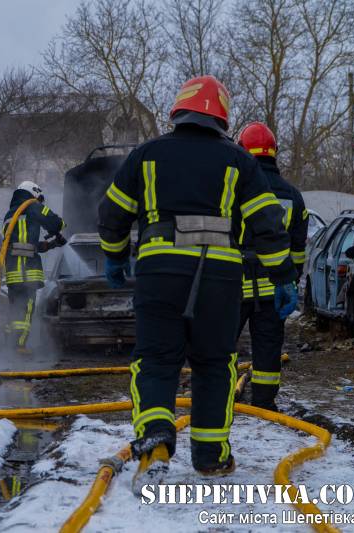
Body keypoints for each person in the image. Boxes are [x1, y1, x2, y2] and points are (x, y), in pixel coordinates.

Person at [98, 75, 296, 490]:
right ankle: (210, 456)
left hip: (159, 273)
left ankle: (154, 440)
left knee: (155, 358)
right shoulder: (239, 161)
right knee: (214, 362)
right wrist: (282, 277)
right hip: (220, 279)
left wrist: (114, 257)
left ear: (179, 109)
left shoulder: (146, 155)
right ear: (222, 117)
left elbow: (112, 214)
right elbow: (267, 225)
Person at [235, 122, 308, 411]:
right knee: (268, 346)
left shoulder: (234, 187)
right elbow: (298, 248)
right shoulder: (293, 195)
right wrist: (291, 280)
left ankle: (221, 395)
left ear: (242, 151)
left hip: (234, 283)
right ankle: (265, 402)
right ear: (274, 153)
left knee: (222, 343)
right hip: (275, 284)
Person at [2, 181, 65, 353]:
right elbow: (56, 223)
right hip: (26, 271)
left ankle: (8, 345)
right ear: (33, 193)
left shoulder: (11, 213)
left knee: (15, 308)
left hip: (14, 271)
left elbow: (26, 245)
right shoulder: (32, 207)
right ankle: (19, 346)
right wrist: (60, 227)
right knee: (28, 307)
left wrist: (52, 244)